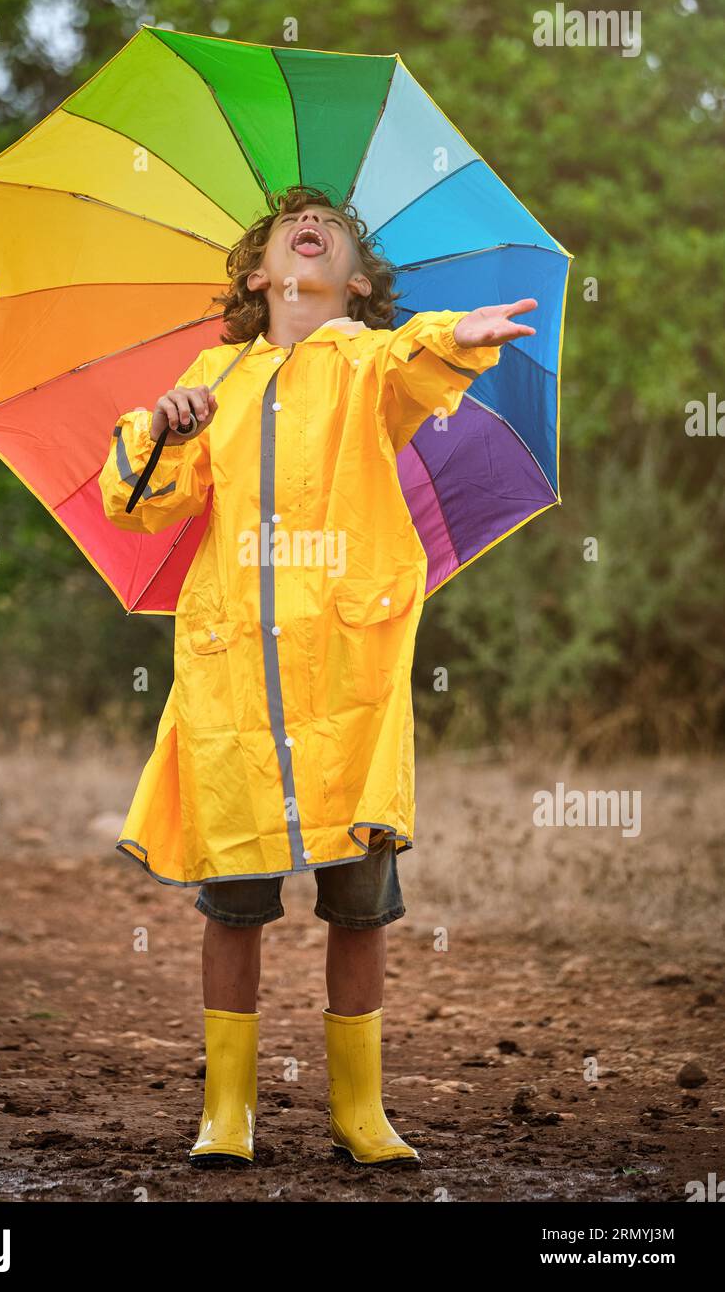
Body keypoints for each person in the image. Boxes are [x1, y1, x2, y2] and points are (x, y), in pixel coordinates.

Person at [98, 184, 536, 1168]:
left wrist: (456, 333)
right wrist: (166, 430)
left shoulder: (368, 365)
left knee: (359, 901)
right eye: (293, 225)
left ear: (354, 281)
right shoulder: (212, 378)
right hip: (237, 682)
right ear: (258, 273)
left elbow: (414, 359)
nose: (312, 226)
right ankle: (229, 1108)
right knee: (234, 896)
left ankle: (359, 1107)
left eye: (333, 229)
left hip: (347, 678)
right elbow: (139, 507)